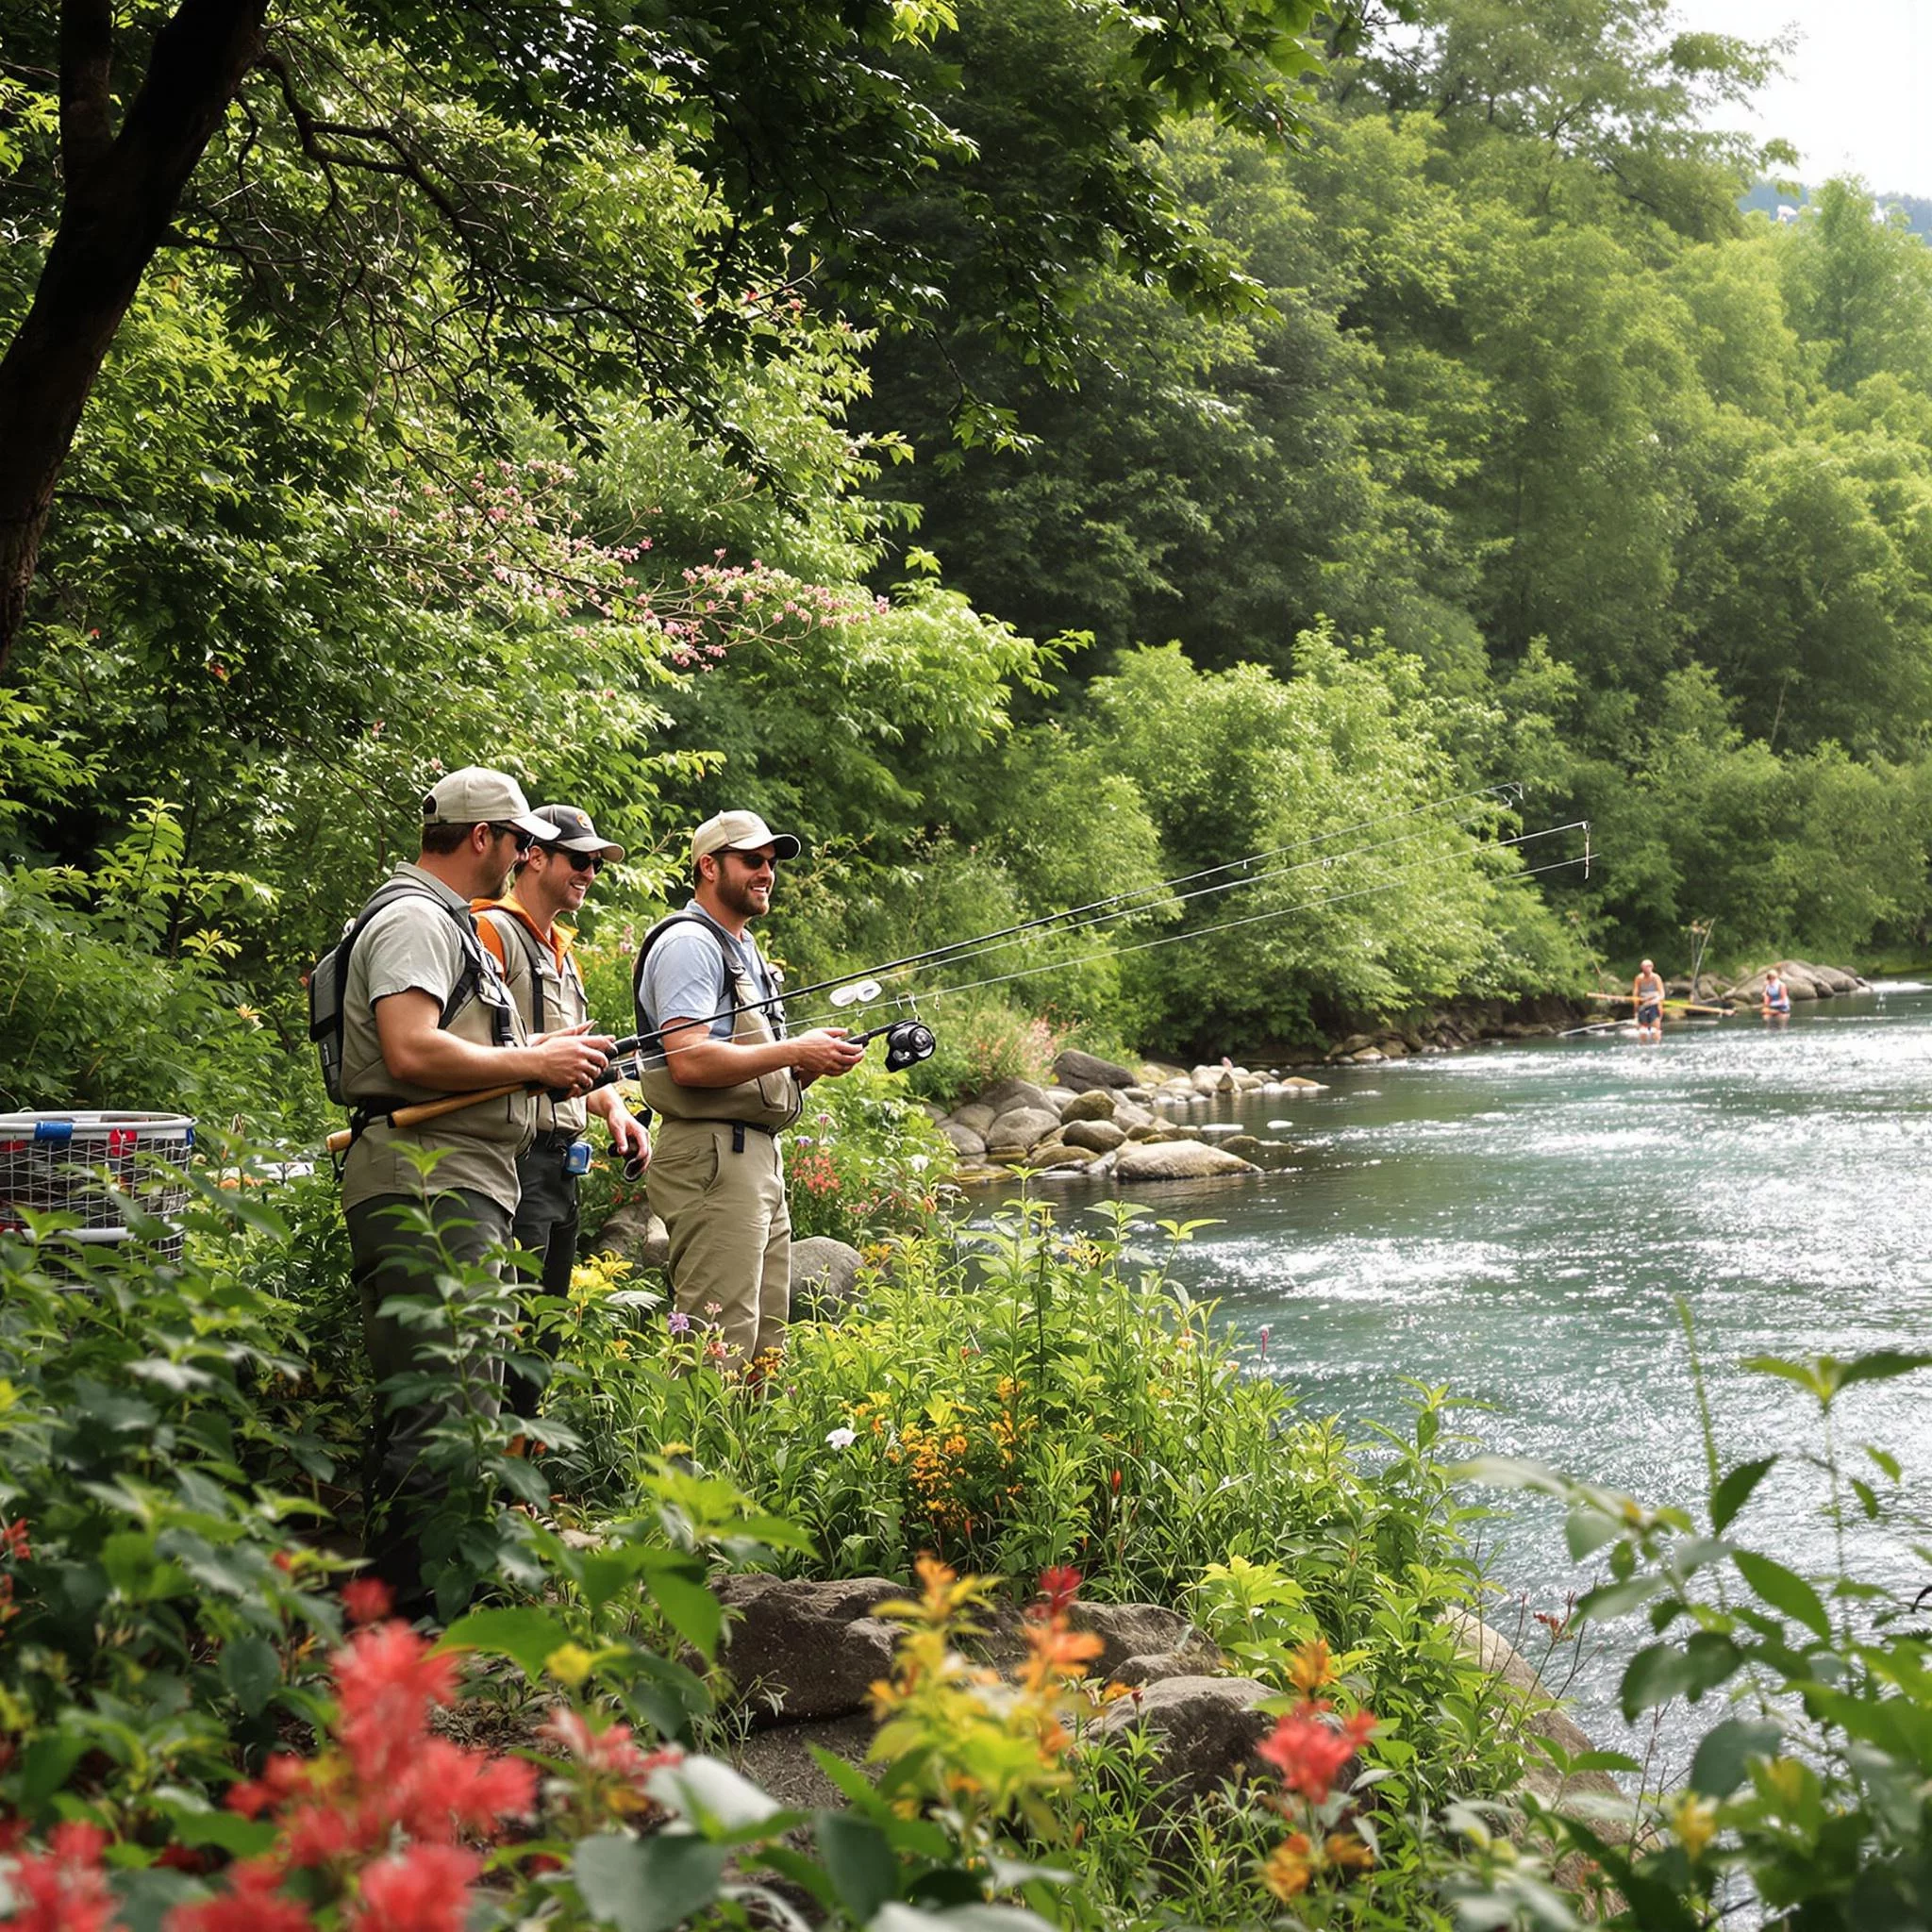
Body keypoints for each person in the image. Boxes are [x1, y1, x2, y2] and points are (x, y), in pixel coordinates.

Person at [338, 765, 613, 1610]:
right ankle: (409, 1629)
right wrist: (535, 1061)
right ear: (484, 838)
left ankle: (425, 1609)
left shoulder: (447, 923)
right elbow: (411, 1050)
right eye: (521, 839)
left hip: (465, 1179)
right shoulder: (418, 918)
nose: (529, 854)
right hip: (427, 1181)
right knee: (442, 1407)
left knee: (465, 1400)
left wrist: (548, 1075)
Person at [632, 809, 865, 1371]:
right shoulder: (689, 943)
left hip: (755, 1156)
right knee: (716, 1342)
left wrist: (808, 1066)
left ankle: (739, 1461)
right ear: (708, 867)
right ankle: (684, 1460)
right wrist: (793, 1050)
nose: (767, 872)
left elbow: (740, 1061)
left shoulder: (744, 947)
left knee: (764, 1344)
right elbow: (687, 1060)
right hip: (712, 1157)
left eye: (771, 862)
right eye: (752, 861)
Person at [474, 803, 651, 1419]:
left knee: (539, 1341)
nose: (590, 873)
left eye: (597, 864)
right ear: (534, 855)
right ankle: (489, 1490)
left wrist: (613, 1111)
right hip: (513, 1164)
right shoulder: (490, 931)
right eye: (579, 859)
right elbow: (478, 1054)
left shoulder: (562, 950)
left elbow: (569, 1064)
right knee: (507, 1336)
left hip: (562, 1172)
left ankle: (517, 1486)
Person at [1633, 958, 1665, 1044]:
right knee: (1643, 1031)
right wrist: (1636, 1011)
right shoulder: (1639, 978)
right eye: (1644, 967)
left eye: (1648, 966)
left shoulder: (1656, 978)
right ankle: (1643, 1045)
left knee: (1655, 1030)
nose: (1646, 969)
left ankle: (1656, 1044)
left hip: (1654, 1005)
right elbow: (1635, 995)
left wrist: (1655, 1000)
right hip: (1643, 1005)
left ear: (1652, 967)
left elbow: (1662, 994)